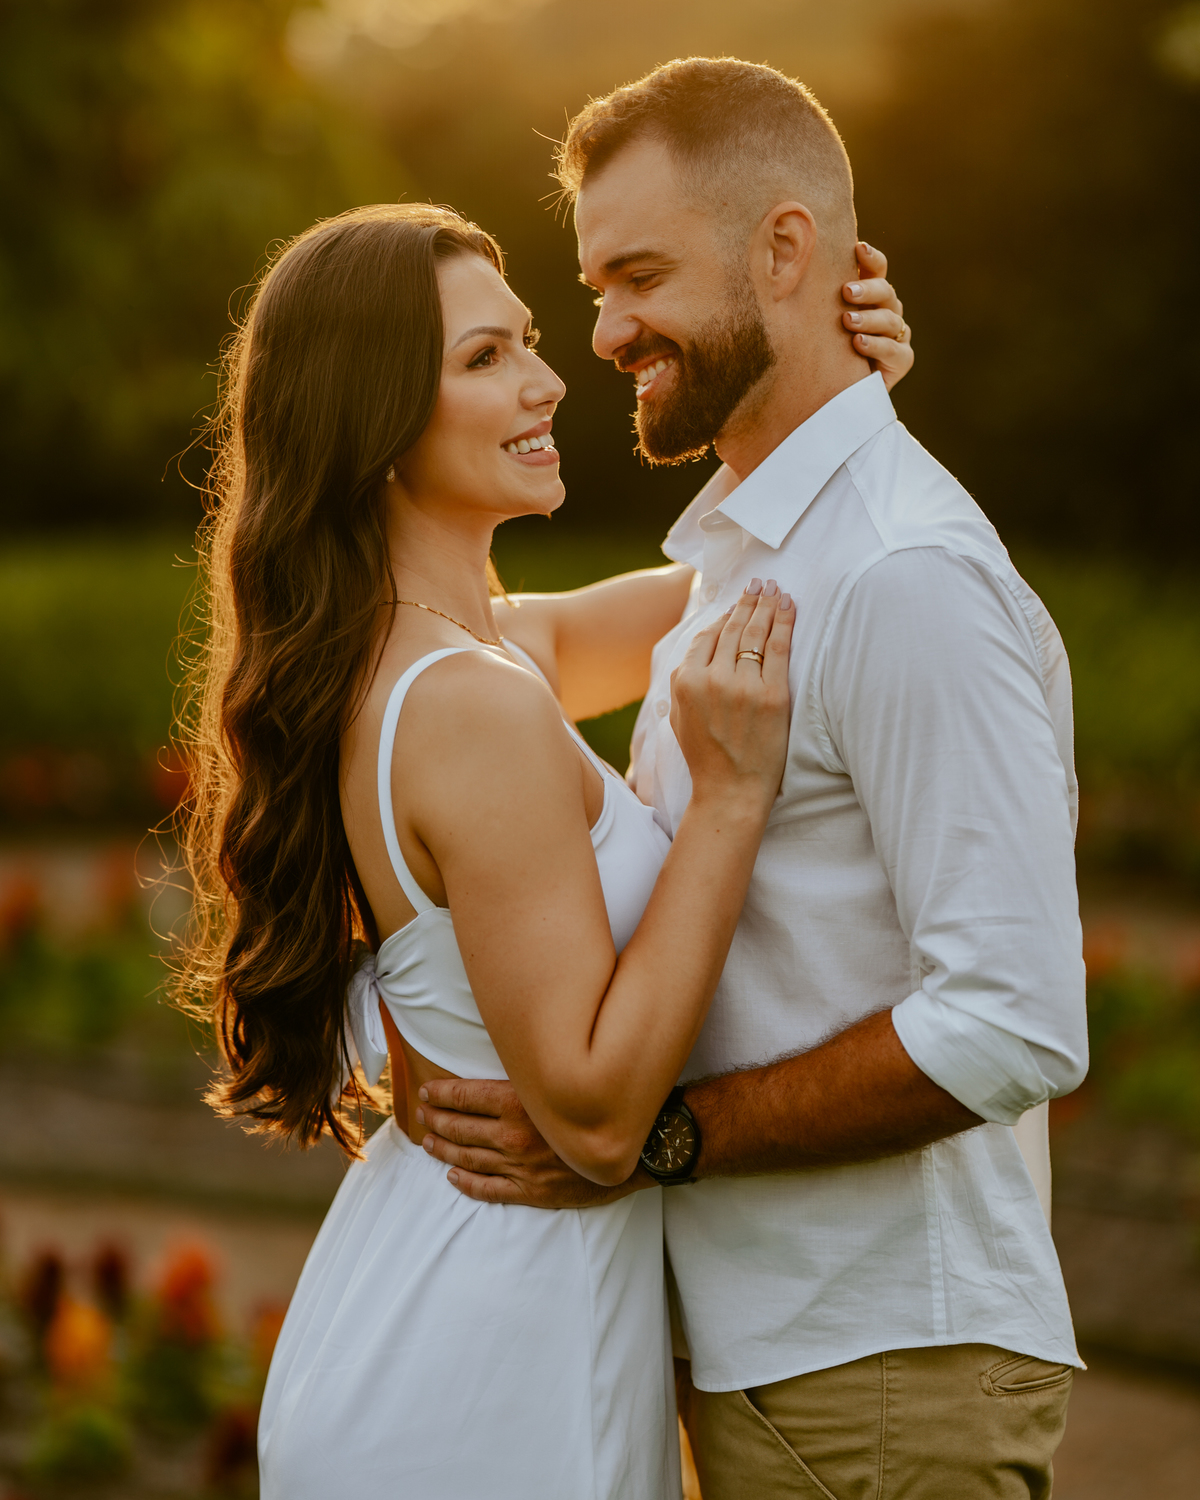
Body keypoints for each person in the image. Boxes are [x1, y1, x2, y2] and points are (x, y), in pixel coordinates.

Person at [417, 59, 1089, 1500]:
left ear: (786, 250)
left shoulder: (905, 577)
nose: (603, 333)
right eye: (592, 288)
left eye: (638, 276)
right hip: (776, 1365)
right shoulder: (748, 559)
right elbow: (477, 647)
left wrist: (656, 1139)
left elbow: (1014, 1022)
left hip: (884, 1377)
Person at [175, 196, 913, 1498]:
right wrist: (729, 802)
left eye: (525, 339)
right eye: (484, 358)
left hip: (452, 1300)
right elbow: (592, 1110)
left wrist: (844, 407)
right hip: (490, 1364)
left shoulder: (485, 652)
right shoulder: (471, 706)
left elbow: (760, 583)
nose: (547, 377)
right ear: (374, 423)